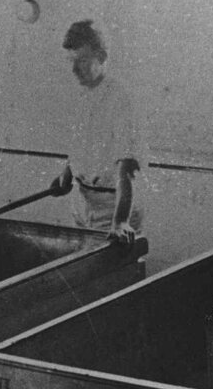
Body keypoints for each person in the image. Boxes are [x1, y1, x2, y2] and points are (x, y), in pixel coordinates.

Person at [52, 19, 146, 245]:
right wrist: (66, 175)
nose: (74, 69)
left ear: (102, 57)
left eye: (82, 60)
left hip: (113, 208)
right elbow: (81, 146)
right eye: (71, 61)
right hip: (83, 205)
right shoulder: (80, 95)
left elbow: (127, 169)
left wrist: (120, 221)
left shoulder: (122, 100)